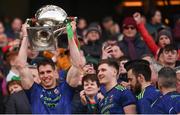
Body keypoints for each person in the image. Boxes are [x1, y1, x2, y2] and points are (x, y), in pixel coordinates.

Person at [15, 21, 85, 114]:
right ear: (39, 76)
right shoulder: (34, 91)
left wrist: (70, 35)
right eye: (42, 73)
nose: (45, 75)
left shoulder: (66, 89)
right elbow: (21, 66)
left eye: (48, 71)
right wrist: (25, 36)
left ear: (56, 73)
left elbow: (77, 64)